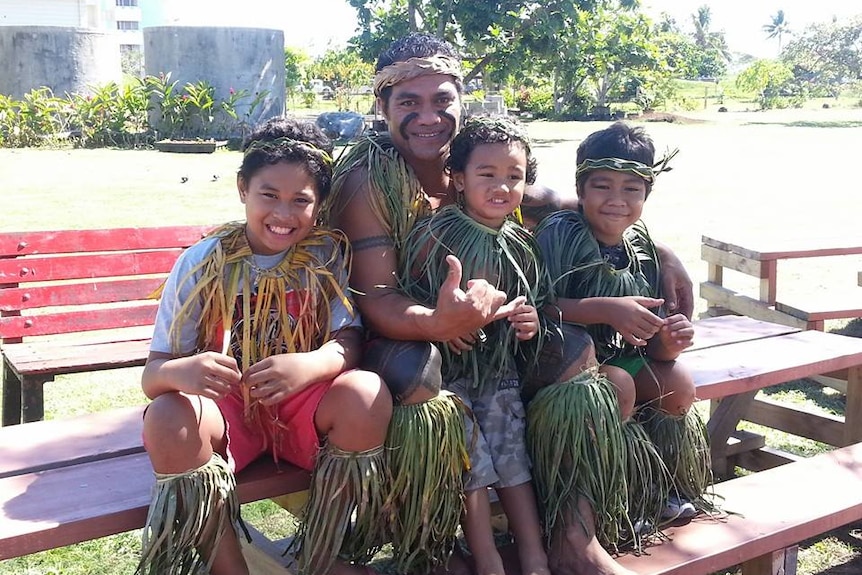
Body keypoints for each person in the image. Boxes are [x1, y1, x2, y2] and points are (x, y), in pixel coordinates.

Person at [324, 32, 692, 575]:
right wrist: (436, 321)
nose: (429, 117)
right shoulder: (367, 183)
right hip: (401, 347)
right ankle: (431, 539)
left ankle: (572, 538)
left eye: (442, 100)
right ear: (382, 107)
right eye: (409, 102)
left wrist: (659, 249)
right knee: (427, 377)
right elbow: (377, 300)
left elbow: (588, 204)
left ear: (460, 101)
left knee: (580, 360)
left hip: (498, 344)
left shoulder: (485, 162)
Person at [136, 117, 392, 575]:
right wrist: (183, 372)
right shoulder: (201, 263)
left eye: (301, 200)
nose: (283, 214)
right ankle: (230, 566)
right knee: (168, 417)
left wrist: (314, 363)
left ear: (320, 205)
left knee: (366, 393)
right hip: (228, 413)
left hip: (302, 409)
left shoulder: (323, 257)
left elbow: (349, 340)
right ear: (242, 189)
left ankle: (322, 554)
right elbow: (153, 376)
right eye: (269, 195)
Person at [533, 122, 712, 538]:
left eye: (631, 189)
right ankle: (613, 502)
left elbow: (652, 346)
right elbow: (541, 307)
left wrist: (668, 341)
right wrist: (605, 310)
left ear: (647, 193)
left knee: (678, 382)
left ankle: (658, 486)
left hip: (623, 358)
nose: (617, 200)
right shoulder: (558, 234)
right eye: (602, 186)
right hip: (562, 365)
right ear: (580, 189)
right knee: (617, 385)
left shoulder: (644, 252)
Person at [398, 115, 550, 575]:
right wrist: (442, 322)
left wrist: (529, 320)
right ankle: (487, 558)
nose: (501, 187)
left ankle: (534, 551)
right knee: (472, 462)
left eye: (514, 177)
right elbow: (412, 297)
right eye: (487, 174)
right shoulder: (433, 235)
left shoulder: (520, 244)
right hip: (447, 377)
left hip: (499, 374)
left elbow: (534, 301)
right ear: (458, 179)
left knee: (512, 453)